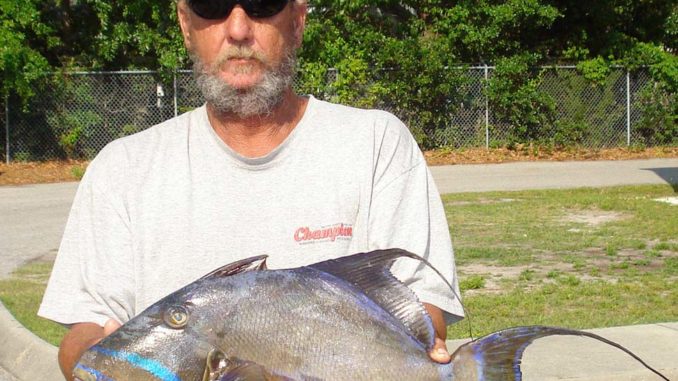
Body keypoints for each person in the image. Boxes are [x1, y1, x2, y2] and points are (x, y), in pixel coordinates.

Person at [38, 1, 464, 379]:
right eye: (212, 5)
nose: (238, 30)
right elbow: (88, 330)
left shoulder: (376, 142)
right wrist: (91, 364)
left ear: (297, 20)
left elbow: (420, 310)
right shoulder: (123, 167)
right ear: (186, 24)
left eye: (262, 5)